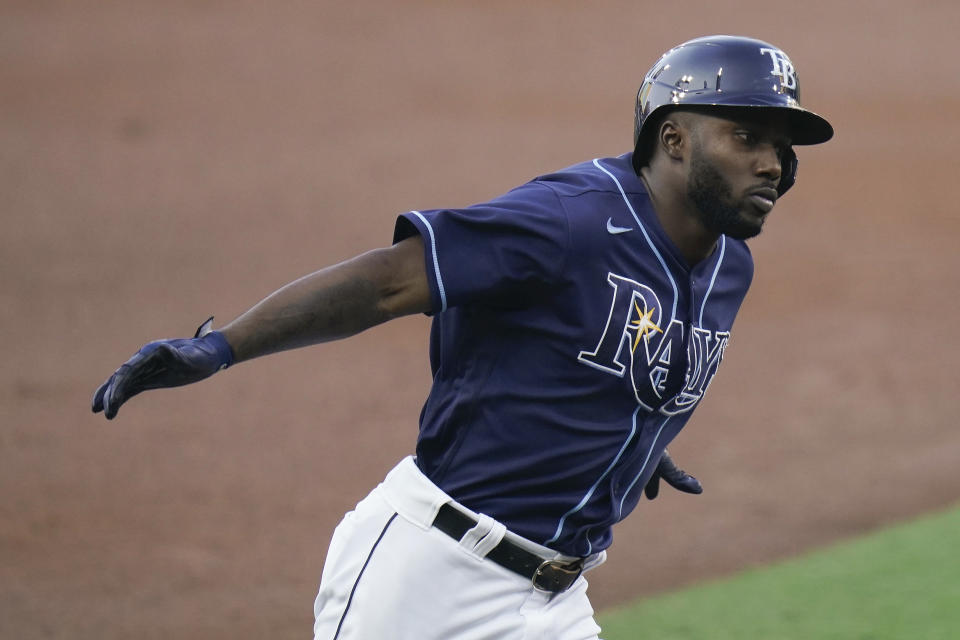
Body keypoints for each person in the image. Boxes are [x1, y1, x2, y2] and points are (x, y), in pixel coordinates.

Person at [92, 35, 833, 640]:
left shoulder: (729, 265)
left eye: (783, 144)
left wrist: (628, 427)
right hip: (426, 578)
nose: (773, 162)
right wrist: (222, 348)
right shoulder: (568, 220)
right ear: (673, 137)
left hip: (552, 601)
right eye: (747, 136)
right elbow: (387, 281)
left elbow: (602, 345)